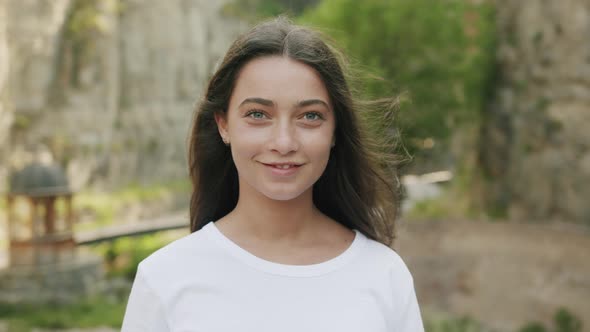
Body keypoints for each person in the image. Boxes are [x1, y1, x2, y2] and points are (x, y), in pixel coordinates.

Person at [121, 17, 424, 332]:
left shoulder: (383, 274)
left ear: (335, 130)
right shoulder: (165, 278)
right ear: (223, 124)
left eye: (310, 116)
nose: (284, 142)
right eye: (257, 114)